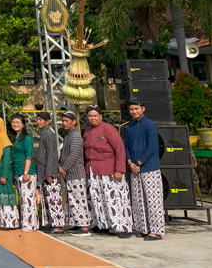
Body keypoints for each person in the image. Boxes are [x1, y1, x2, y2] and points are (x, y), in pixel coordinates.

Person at [83, 104, 132, 238]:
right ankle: (103, 225)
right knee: (98, 200)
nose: (93, 118)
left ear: (100, 116)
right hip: (93, 171)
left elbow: (120, 150)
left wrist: (119, 170)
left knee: (115, 199)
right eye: (90, 116)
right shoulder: (87, 131)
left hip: (109, 170)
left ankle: (124, 227)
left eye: (95, 116)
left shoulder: (109, 130)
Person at [124, 101, 164, 241]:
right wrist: (130, 163)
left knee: (153, 201)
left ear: (143, 109)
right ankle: (144, 228)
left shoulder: (150, 125)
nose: (134, 112)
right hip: (134, 169)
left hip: (149, 168)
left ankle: (156, 231)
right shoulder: (129, 127)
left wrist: (139, 162)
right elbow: (127, 147)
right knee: (138, 200)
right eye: (131, 109)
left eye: (136, 109)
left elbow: (152, 146)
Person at [59, 111, 91, 236]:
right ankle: (78, 224)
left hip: (76, 173)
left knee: (79, 200)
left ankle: (84, 228)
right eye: (63, 121)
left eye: (67, 121)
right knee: (72, 200)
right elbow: (63, 154)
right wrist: (60, 166)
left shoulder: (76, 136)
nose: (64, 123)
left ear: (74, 121)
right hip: (69, 173)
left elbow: (74, 155)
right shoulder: (68, 135)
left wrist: (63, 168)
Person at [36, 112, 65, 233]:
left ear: (47, 121)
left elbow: (51, 156)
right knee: (47, 199)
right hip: (44, 172)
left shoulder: (49, 134)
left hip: (50, 173)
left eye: (41, 120)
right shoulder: (44, 133)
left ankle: (58, 226)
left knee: (54, 199)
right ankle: (51, 223)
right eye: (37, 120)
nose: (38, 122)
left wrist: (49, 174)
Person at [10, 113, 38, 232]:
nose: (15, 124)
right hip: (16, 171)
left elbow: (29, 156)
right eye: (13, 122)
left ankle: (30, 224)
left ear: (23, 124)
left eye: (18, 122)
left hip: (27, 172)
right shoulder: (13, 137)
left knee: (28, 199)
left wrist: (26, 172)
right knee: (22, 198)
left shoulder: (27, 138)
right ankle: (24, 222)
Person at [0, 117, 18, 230]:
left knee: (6, 195)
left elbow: (7, 160)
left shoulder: (5, 142)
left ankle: (10, 223)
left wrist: (4, 175)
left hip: (2, 172)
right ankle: (0, 221)